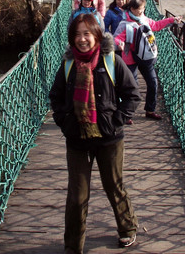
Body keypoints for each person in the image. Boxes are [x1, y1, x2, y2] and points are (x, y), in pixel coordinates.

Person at [50, 14, 140, 254]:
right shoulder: (68, 64)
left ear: (97, 36)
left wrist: (115, 121)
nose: (82, 39)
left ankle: (128, 228)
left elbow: (132, 94)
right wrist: (66, 123)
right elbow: (56, 97)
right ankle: (73, 245)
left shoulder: (111, 61)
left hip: (109, 139)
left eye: (87, 34)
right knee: (77, 195)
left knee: (114, 186)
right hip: (77, 138)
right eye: (77, 35)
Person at [113, 0, 181, 120]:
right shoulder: (125, 23)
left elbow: (156, 25)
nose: (142, 11)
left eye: (143, 8)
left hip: (146, 56)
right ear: (132, 9)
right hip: (130, 58)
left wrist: (172, 20)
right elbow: (116, 38)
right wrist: (119, 43)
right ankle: (126, 113)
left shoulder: (144, 19)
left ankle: (150, 110)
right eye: (140, 9)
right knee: (131, 86)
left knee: (153, 83)